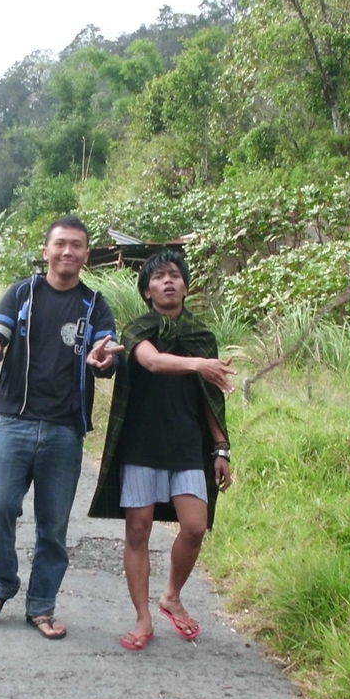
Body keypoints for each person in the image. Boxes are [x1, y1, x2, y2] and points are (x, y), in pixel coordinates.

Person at [0, 215, 122, 640]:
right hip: (13, 423)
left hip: (64, 431)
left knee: (53, 526)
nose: (68, 252)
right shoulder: (22, 293)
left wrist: (104, 360)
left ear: (87, 255)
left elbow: (105, 352)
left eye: (77, 245)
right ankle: (2, 584)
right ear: (46, 249)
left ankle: (42, 605)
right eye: (61, 244)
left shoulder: (95, 304)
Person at [88, 248, 235, 650]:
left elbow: (211, 400)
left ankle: (171, 595)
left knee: (194, 526)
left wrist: (221, 448)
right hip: (141, 444)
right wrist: (199, 365)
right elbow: (151, 362)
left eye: (174, 275)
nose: (167, 281)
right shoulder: (137, 329)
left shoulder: (201, 335)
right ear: (147, 291)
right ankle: (142, 618)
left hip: (188, 445)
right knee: (138, 530)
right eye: (158, 277)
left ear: (186, 286)